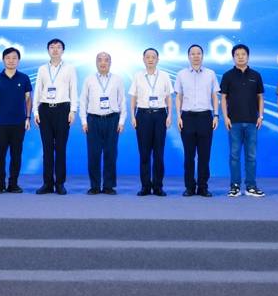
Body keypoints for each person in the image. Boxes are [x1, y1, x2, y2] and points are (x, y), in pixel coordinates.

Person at [32, 38, 78, 195]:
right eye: (52, 47)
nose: (55, 50)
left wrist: (73, 111)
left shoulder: (70, 68)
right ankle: (47, 183)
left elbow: (73, 90)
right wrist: (35, 111)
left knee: (60, 148)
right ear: (48, 50)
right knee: (47, 149)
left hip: (63, 110)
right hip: (45, 110)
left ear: (63, 50)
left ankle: (60, 183)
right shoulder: (42, 69)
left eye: (58, 47)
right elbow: (38, 90)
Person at [219, 44, 265, 198]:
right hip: (234, 122)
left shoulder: (256, 75)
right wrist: (225, 117)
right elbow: (223, 98)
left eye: (243, 54)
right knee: (234, 156)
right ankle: (235, 186)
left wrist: (261, 116)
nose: (240, 57)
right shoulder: (228, 76)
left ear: (248, 56)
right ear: (233, 57)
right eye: (237, 54)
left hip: (252, 121)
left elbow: (260, 97)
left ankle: (251, 186)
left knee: (251, 156)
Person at [175, 44, 220, 197]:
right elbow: (179, 96)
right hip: (187, 117)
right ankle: (189, 187)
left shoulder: (210, 74)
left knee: (204, 156)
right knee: (189, 156)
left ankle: (203, 187)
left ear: (202, 55)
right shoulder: (181, 74)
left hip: (205, 117)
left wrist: (216, 115)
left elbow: (215, 96)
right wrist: (178, 116)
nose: (196, 56)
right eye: (193, 53)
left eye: (198, 53)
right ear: (188, 56)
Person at [79, 52, 126, 195]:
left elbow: (122, 101)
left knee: (111, 153)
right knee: (93, 154)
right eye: (100, 60)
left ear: (110, 63)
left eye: (106, 60)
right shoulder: (89, 79)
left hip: (112, 119)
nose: (103, 63)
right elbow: (83, 100)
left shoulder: (117, 79)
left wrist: (121, 121)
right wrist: (84, 121)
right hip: (93, 120)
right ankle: (94, 186)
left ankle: (108, 186)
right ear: (96, 63)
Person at [0, 47, 32, 194]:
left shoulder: (24, 78)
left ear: (18, 60)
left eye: (14, 58)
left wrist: (28, 117)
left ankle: (13, 184)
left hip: (19, 123)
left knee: (16, 155)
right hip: (0, 123)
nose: (11, 60)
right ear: (3, 60)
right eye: (8, 58)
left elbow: (28, 99)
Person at [129, 48, 173, 196]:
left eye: (153, 57)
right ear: (143, 59)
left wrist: (169, 115)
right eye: (147, 57)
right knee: (144, 153)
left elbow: (168, 97)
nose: (150, 59)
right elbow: (133, 97)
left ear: (157, 59)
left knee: (159, 153)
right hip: (143, 115)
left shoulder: (164, 76)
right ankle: (145, 186)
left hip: (160, 115)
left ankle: (158, 186)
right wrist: (132, 116)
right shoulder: (138, 76)